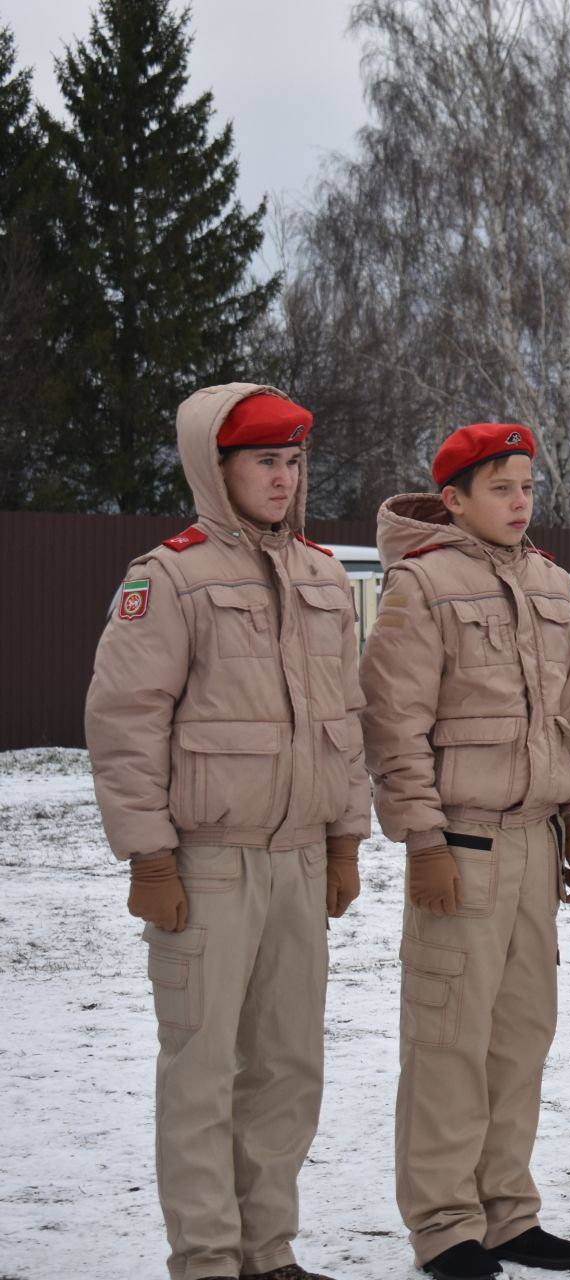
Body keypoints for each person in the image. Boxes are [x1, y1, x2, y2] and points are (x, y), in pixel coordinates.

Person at [85, 384, 369, 1280]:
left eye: (292, 462)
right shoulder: (167, 576)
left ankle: (268, 1253)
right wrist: (149, 854)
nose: (283, 480)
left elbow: (345, 717)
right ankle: (207, 1260)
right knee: (202, 1070)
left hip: (295, 859)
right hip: (205, 865)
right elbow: (125, 721)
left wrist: (344, 839)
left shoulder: (324, 575)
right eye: (263, 462)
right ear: (218, 467)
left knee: (289, 1067)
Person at [359, 424, 570, 1279]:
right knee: (449, 1037)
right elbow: (394, 724)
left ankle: (509, 1210)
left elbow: (566, 718)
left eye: (527, 486)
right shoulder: (422, 585)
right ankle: (445, 1223)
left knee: (522, 1034)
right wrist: (423, 839)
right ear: (454, 499)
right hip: (461, 844)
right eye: (500, 488)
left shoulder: (550, 582)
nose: (519, 502)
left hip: (535, 840)